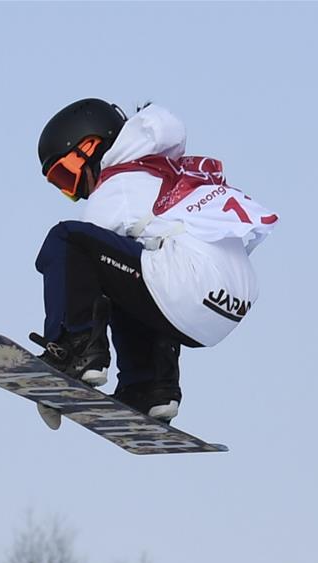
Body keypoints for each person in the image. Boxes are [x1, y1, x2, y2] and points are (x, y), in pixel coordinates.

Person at [33, 98, 278, 422]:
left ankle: (73, 351)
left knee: (67, 242)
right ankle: (150, 388)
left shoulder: (118, 183)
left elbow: (80, 269)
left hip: (190, 284)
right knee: (133, 267)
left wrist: (60, 382)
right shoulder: (163, 172)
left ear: (89, 147)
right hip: (226, 306)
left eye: (68, 175)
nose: (77, 193)